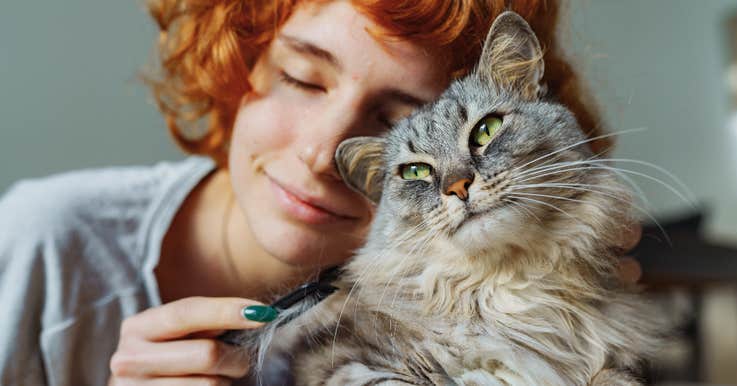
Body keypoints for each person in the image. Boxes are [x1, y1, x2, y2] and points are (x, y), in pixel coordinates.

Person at [0, 0, 642, 385]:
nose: (319, 153)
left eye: (396, 122)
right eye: (303, 78)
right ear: (240, 57)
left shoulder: (474, 280)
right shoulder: (42, 244)